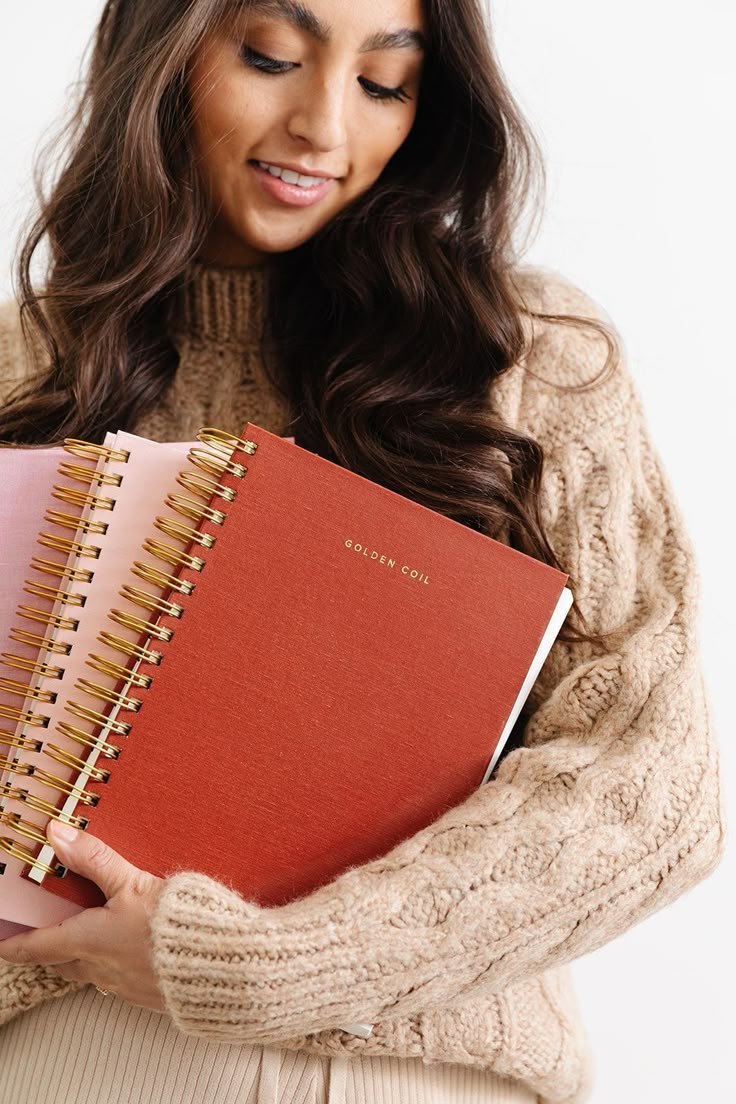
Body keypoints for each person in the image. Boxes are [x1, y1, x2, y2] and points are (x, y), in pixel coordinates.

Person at [0, 1, 726, 1102]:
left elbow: (653, 785)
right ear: (158, 52)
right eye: (271, 59)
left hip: (421, 1072)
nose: (323, 123)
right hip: (83, 1062)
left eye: (384, 83)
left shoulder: (520, 354)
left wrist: (267, 966)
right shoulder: (20, 364)